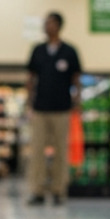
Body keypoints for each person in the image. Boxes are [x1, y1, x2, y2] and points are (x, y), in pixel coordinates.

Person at [25, 11, 83, 206]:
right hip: (40, 108)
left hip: (62, 109)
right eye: (45, 23)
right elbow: (31, 78)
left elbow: (76, 79)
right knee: (38, 150)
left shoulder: (69, 51)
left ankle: (59, 190)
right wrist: (28, 101)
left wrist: (77, 101)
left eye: (50, 23)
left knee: (60, 150)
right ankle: (37, 190)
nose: (47, 26)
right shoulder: (38, 50)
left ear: (58, 26)